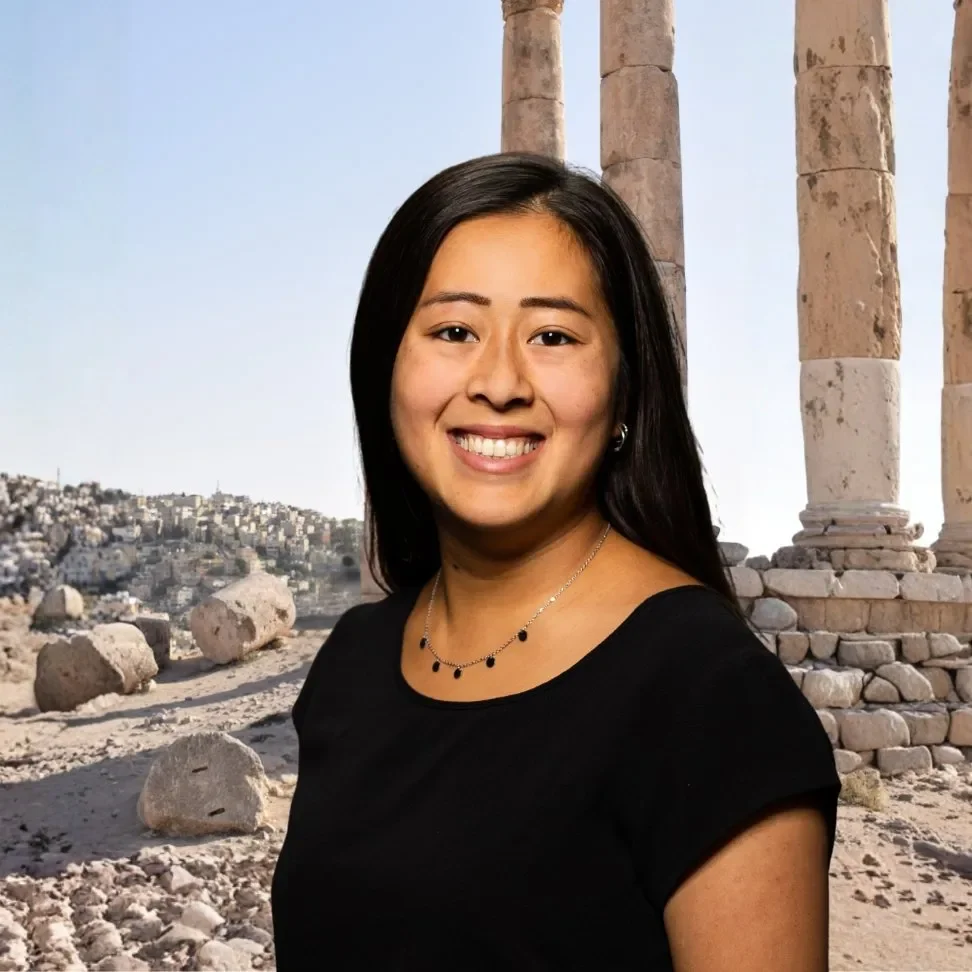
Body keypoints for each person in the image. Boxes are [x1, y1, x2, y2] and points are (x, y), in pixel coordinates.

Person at [271, 153, 840, 971]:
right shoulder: (352, 665)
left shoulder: (709, 697)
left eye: (553, 335)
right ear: (385, 365)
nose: (499, 382)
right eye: (454, 330)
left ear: (623, 391)